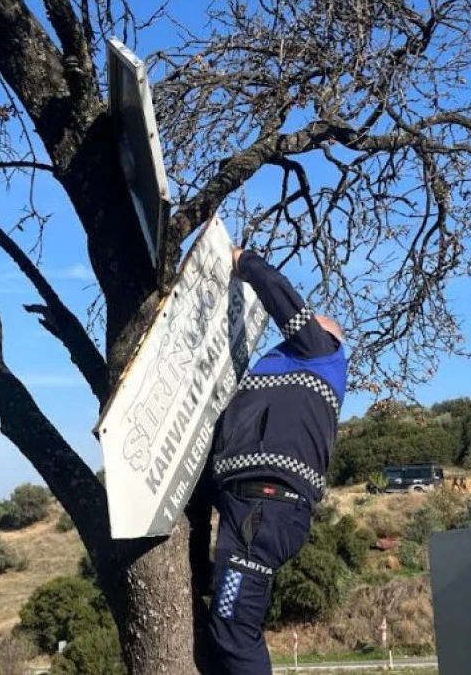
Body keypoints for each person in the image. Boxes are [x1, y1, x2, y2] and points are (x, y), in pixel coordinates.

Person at [188, 245, 348, 675]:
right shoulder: (270, 383)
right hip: (249, 508)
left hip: (264, 510)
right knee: (224, 627)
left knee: (234, 629)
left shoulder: (321, 353)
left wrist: (245, 262)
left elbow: (284, 302)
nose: (305, 328)